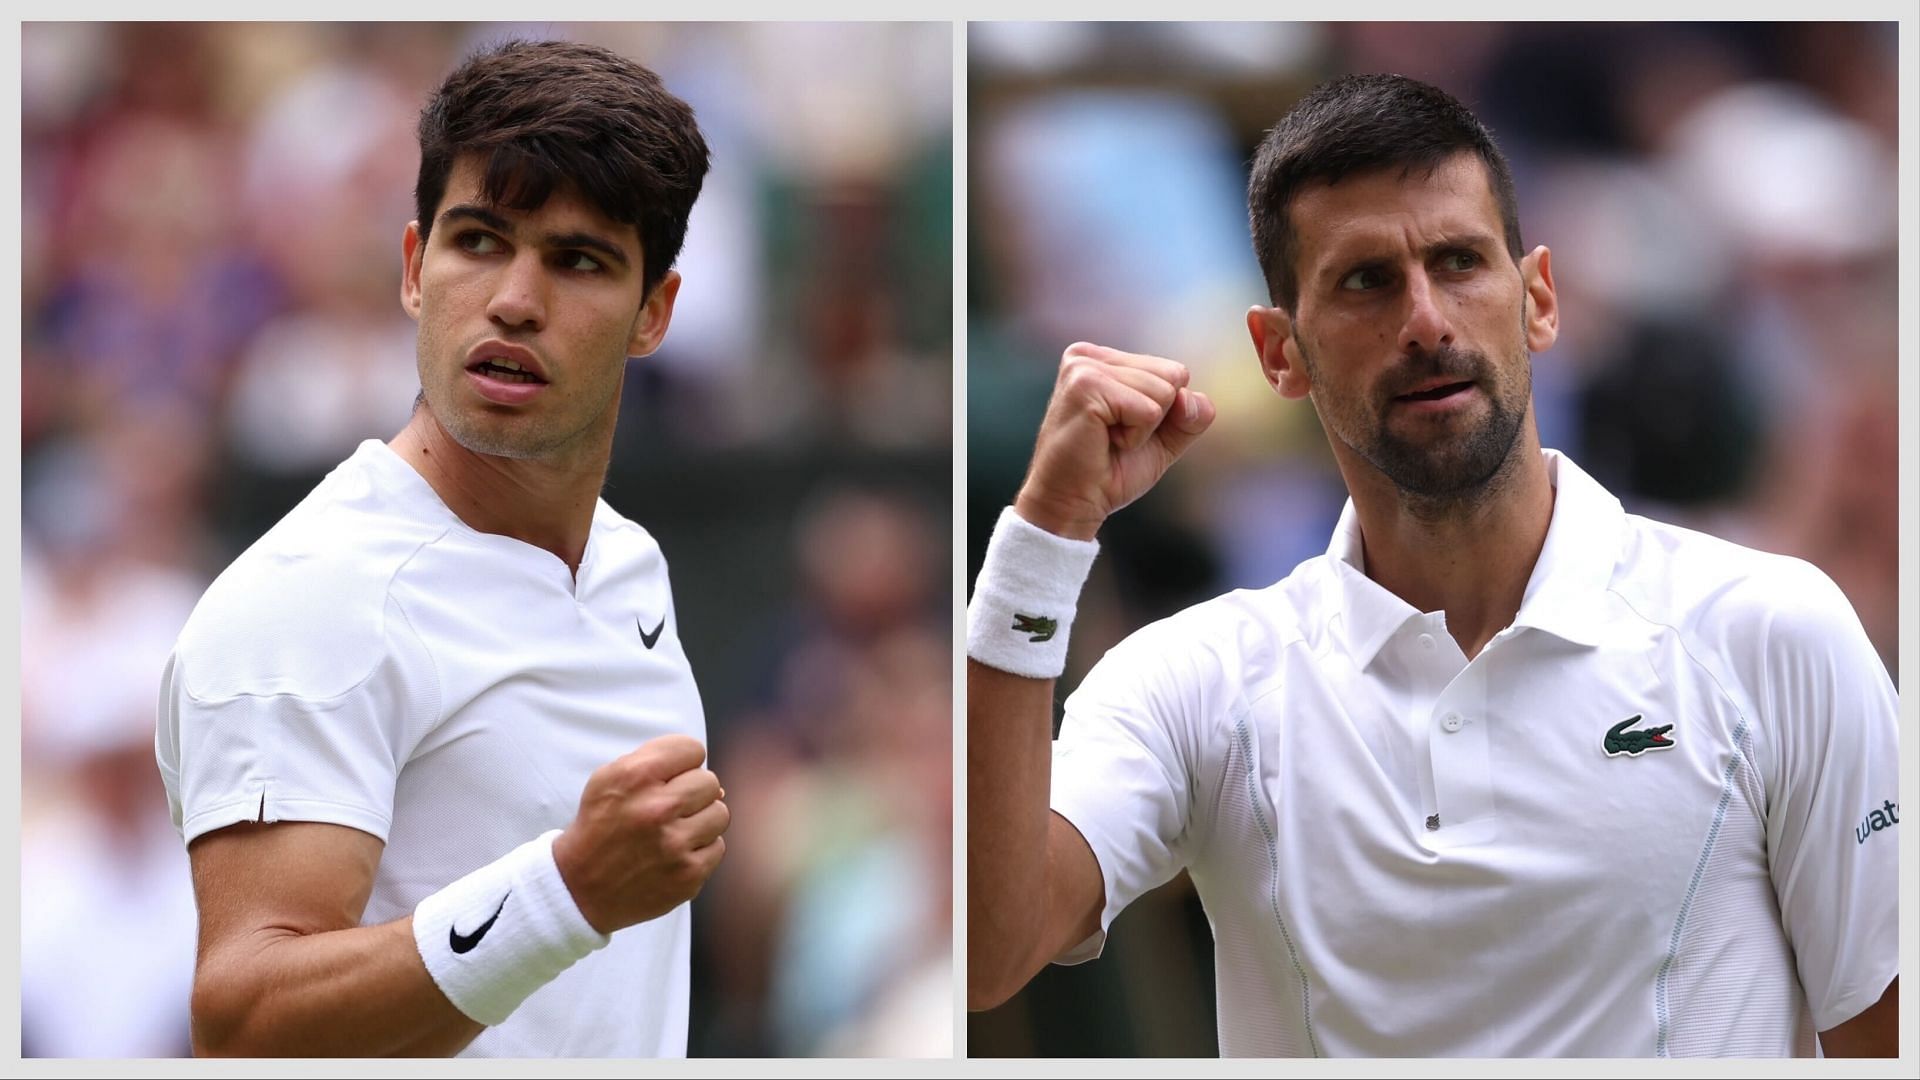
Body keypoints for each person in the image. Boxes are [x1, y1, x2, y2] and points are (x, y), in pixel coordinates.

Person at [966, 74, 1898, 1057]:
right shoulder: (1199, 682)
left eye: (1457, 263)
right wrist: (1045, 536)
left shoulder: (1771, 632)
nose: (1426, 320)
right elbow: (995, 947)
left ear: (1538, 299)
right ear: (1280, 353)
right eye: (1365, 280)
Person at [156, 39, 727, 1057]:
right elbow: (244, 1020)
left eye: (578, 260)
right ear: (417, 269)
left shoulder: (630, 564)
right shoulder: (309, 601)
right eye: (479, 242)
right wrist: (570, 891)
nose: (514, 298)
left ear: (655, 313)